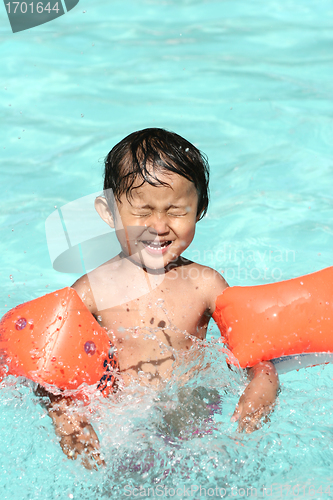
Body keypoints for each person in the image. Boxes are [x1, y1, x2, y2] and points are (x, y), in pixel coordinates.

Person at [44, 128, 279, 468]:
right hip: (125, 431)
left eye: (176, 211)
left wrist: (262, 384)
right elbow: (50, 368)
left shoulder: (205, 284)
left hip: (197, 427)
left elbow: (253, 348)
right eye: (142, 211)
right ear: (109, 211)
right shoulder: (91, 291)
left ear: (200, 209)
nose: (158, 225)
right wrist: (65, 417)